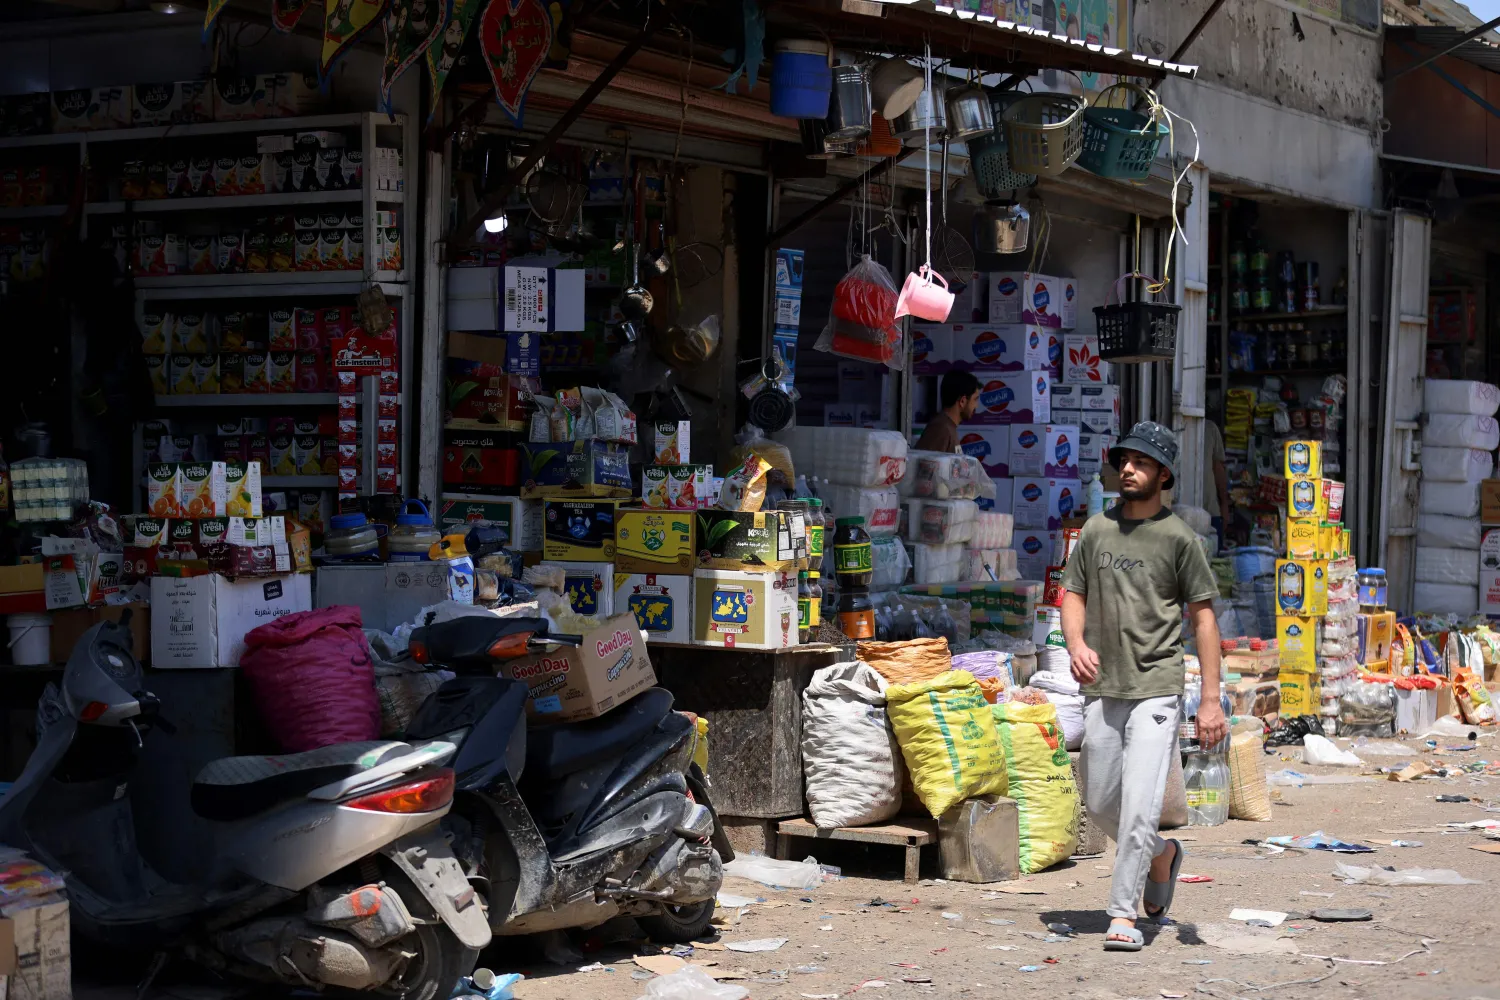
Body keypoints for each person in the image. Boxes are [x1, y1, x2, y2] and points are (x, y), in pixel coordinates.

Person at [1059, 421, 1226, 952]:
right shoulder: (1095, 530)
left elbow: (1203, 620)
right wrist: (1076, 644)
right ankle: (1162, 855)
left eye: (1141, 462)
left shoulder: (1179, 539)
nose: (1128, 469)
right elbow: (1072, 595)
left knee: (1137, 806)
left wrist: (1210, 700)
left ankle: (1122, 914)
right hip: (1103, 686)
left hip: (1157, 686)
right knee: (1103, 802)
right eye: (1125, 460)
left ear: (1163, 474)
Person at [915, 371, 981, 453]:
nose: (976, 405)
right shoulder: (940, 429)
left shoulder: (947, 427)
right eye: (975, 399)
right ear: (962, 401)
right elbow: (925, 463)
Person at [1202, 415, 1230, 553]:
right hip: (1185, 513)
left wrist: (1224, 505)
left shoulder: (1210, 428)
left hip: (1211, 511)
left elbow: (1218, 469)